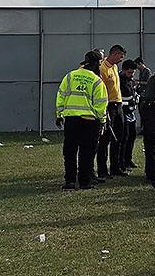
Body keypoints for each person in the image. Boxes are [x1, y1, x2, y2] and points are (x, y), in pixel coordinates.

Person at [56, 50, 108, 190]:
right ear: (97, 63)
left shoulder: (70, 76)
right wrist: (102, 121)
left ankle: (70, 182)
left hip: (71, 120)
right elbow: (101, 104)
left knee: (70, 152)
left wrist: (59, 114)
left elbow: (61, 95)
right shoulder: (97, 81)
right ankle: (85, 182)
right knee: (87, 153)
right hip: (90, 122)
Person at [97, 44, 127, 181]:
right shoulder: (102, 68)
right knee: (105, 139)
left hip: (118, 104)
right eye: (120, 56)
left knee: (119, 136)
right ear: (114, 54)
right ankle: (102, 170)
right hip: (108, 105)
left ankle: (116, 167)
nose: (121, 60)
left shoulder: (115, 67)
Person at [119, 59, 139, 170]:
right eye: (130, 72)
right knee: (124, 138)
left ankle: (128, 159)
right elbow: (120, 98)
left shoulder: (129, 80)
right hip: (123, 112)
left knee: (132, 136)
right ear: (124, 70)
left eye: (133, 73)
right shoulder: (120, 80)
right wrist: (130, 101)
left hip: (130, 112)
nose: (131, 75)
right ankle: (121, 162)